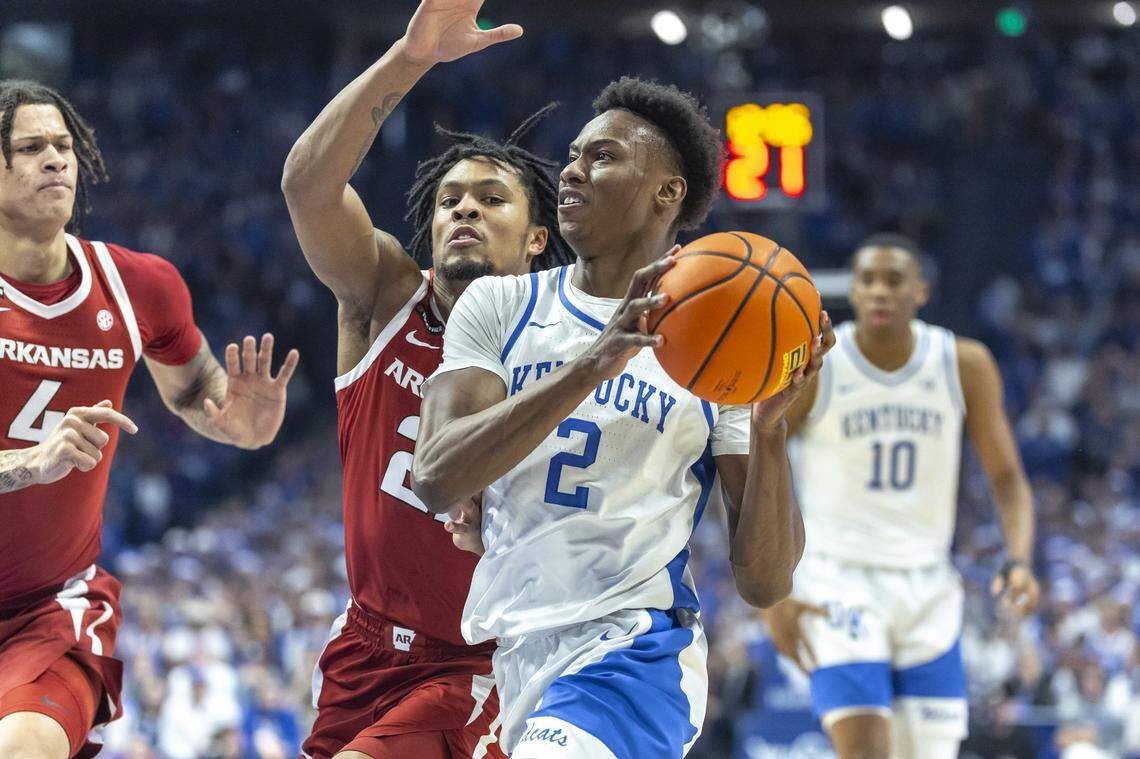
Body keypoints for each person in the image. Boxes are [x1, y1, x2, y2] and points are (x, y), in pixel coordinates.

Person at [412, 76, 835, 758]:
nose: (572, 169)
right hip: (519, 647)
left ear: (668, 192)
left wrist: (770, 428)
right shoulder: (498, 305)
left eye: (603, 156)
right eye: (574, 154)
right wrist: (591, 365)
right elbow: (433, 476)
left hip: (637, 651)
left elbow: (764, 581)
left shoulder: (716, 345)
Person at [280, 2, 573, 757]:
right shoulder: (385, 297)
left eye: (491, 198)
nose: (465, 206)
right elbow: (308, 188)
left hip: (477, 662)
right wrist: (410, 59)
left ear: (536, 238)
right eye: (450, 199)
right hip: (363, 642)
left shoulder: (559, 349)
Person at [0, 80, 299, 759]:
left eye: (64, 146)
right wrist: (27, 463)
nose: (56, 160)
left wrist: (235, 421)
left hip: (52, 607)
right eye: (30, 147)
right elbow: (29, 459)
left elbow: (196, 389)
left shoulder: (139, 284)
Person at [763, 233, 1040, 759]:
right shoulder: (821, 366)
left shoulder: (963, 363)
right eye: (867, 280)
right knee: (865, 748)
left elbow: (1006, 477)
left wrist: (1020, 557)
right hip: (837, 580)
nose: (879, 292)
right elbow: (763, 462)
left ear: (922, 292)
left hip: (929, 585)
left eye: (894, 281)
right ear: (854, 291)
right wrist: (772, 590)